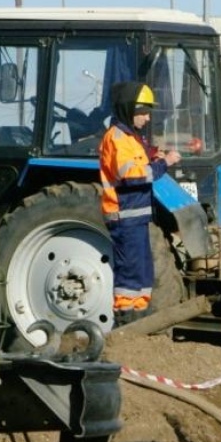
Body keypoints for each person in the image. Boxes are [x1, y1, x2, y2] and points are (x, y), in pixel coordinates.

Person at [98, 81, 181, 327]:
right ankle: (126, 324)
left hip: (136, 217)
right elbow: (132, 175)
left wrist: (155, 156)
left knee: (143, 275)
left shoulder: (131, 138)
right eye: (142, 112)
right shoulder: (117, 138)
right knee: (130, 277)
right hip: (124, 216)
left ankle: (139, 322)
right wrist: (164, 164)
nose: (147, 117)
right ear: (128, 110)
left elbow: (138, 163)